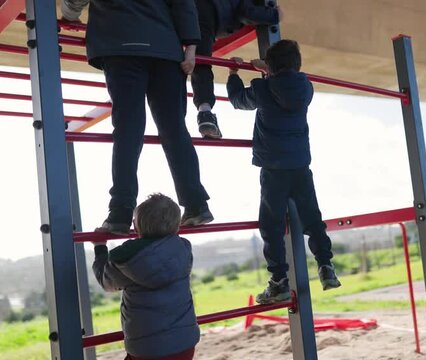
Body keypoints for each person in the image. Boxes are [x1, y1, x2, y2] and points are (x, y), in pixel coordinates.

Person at [61, 0, 213, 234]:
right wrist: (191, 47)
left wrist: (69, 16)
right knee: (174, 130)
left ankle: (120, 213)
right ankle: (196, 205)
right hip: (165, 49)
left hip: (120, 45)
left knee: (128, 132)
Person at [226, 39, 341, 304]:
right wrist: (268, 70)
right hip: (301, 165)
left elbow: (237, 100)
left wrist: (233, 75)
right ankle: (326, 266)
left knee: (272, 225)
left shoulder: (263, 89)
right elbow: (285, 84)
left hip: (274, 169)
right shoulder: (306, 88)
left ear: (270, 67)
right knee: (312, 218)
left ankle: (278, 281)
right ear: (297, 64)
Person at [92, 193, 199, 360]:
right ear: (177, 225)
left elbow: (106, 282)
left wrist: (100, 247)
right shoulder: (183, 250)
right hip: (185, 344)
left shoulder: (127, 259)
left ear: (136, 227)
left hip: (147, 349)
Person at [192, 0, 281, 139]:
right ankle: (204, 114)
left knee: (195, 62)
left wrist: (233, 74)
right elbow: (245, 12)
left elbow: (240, 98)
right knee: (200, 63)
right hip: (206, 12)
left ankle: (204, 114)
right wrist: (275, 15)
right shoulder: (304, 89)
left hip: (185, 12)